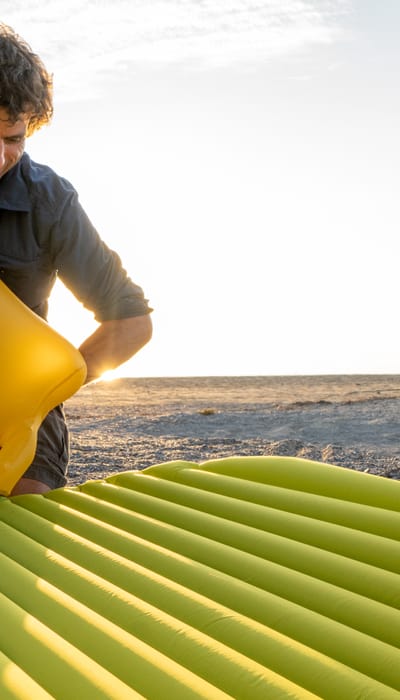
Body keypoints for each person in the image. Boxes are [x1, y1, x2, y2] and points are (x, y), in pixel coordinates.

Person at [0, 24, 153, 496]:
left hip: (19, 416)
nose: (0, 155)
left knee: (23, 534)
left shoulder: (49, 201)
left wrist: (37, 398)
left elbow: (130, 322)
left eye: (14, 138)